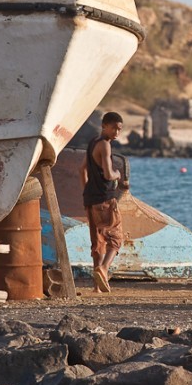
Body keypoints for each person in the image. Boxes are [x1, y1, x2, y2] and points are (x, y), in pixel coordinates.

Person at [79, 111, 127, 293]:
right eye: (113, 128)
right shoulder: (105, 146)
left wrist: (86, 191)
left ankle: (96, 288)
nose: (116, 132)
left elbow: (81, 170)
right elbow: (108, 174)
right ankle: (104, 268)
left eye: (119, 129)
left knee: (97, 242)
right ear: (104, 126)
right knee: (115, 239)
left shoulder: (92, 143)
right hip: (106, 199)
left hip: (91, 200)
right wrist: (118, 174)